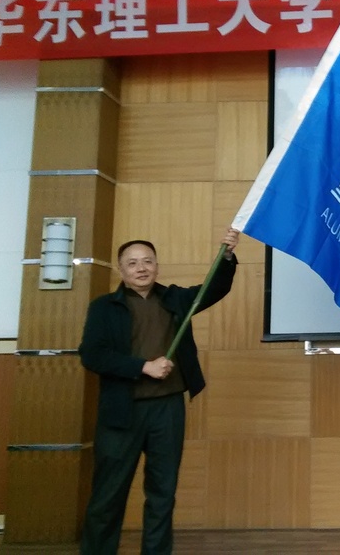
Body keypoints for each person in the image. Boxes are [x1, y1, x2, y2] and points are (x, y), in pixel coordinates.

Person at [79, 228, 239, 555]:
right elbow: (92, 355)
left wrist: (225, 256)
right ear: (121, 270)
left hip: (167, 409)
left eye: (148, 261)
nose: (141, 268)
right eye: (133, 263)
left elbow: (214, 289)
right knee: (108, 495)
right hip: (121, 411)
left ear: (157, 266)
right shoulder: (104, 307)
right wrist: (143, 367)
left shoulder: (175, 299)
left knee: (162, 494)